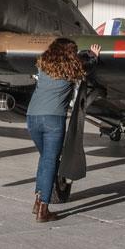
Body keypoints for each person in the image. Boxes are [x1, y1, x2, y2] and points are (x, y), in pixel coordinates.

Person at [26, 38, 100, 222]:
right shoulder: (72, 68)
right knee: (51, 162)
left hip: (32, 118)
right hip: (53, 120)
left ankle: (37, 201)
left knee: (45, 160)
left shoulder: (42, 65)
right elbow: (88, 66)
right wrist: (93, 55)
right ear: (70, 53)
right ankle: (43, 208)